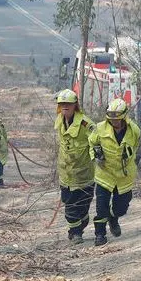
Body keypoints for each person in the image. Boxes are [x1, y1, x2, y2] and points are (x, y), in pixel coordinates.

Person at [88, 98, 141, 246]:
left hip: (124, 176)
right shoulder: (99, 128)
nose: (114, 121)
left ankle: (114, 218)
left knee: (121, 208)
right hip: (104, 174)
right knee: (101, 206)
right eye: (111, 118)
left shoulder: (134, 130)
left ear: (124, 116)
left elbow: (135, 147)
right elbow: (91, 144)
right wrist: (96, 156)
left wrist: (128, 154)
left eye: (117, 118)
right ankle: (99, 235)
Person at [53, 89, 96, 244]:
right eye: (62, 104)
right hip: (66, 174)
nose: (65, 107)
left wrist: (96, 153)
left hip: (84, 175)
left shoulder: (85, 124)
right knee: (70, 206)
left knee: (83, 207)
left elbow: (96, 140)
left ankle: (80, 226)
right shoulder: (59, 121)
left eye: (68, 104)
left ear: (74, 105)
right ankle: (75, 233)